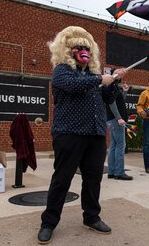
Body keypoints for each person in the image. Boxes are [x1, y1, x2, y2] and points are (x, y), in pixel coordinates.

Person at [38, 26, 126, 244]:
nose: (83, 51)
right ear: (68, 50)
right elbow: (72, 85)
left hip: (95, 134)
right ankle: (48, 222)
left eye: (86, 48)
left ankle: (91, 217)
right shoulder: (61, 70)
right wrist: (100, 79)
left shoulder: (94, 75)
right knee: (62, 179)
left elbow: (107, 98)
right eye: (78, 47)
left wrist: (115, 81)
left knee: (93, 179)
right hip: (69, 133)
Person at [106, 76, 133, 180]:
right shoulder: (113, 87)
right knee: (120, 145)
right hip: (116, 120)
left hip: (112, 120)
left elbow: (119, 101)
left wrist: (125, 92)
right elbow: (112, 103)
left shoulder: (113, 87)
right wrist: (119, 118)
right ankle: (119, 173)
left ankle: (112, 172)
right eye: (118, 73)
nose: (121, 75)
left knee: (113, 146)